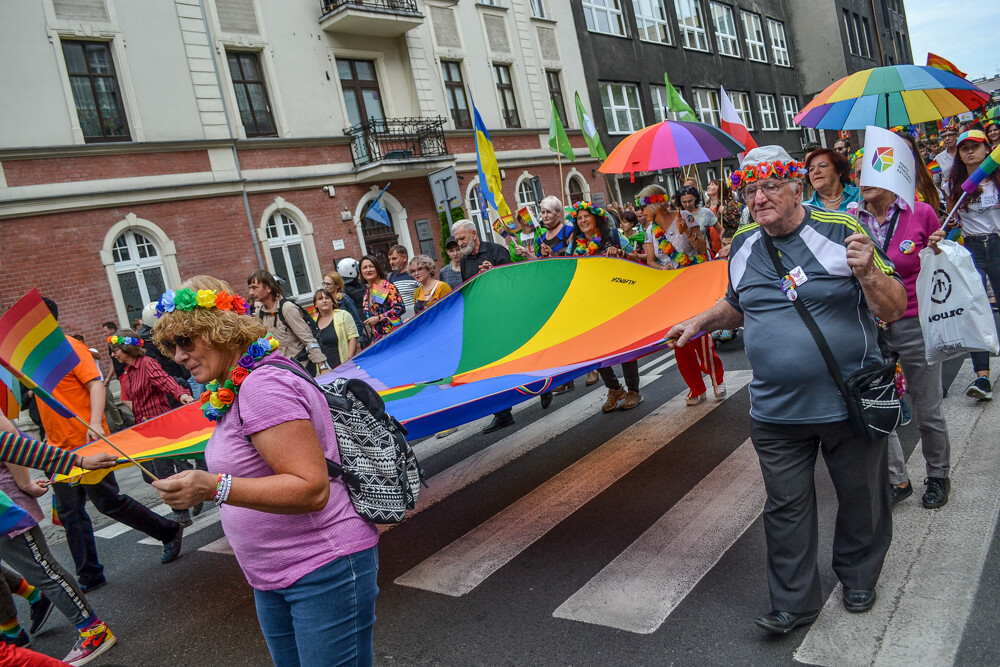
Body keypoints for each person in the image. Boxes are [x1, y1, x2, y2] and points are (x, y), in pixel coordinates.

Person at [667, 146, 906, 634]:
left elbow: (895, 306)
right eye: (750, 189)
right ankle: (794, 603)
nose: (759, 197)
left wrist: (869, 274)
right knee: (785, 507)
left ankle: (859, 576)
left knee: (861, 496)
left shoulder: (842, 230)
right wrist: (702, 321)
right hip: (776, 411)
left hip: (849, 402)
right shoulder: (744, 244)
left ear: (798, 188)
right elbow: (739, 303)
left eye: (770, 185)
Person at [150, 276, 379, 667]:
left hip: (322, 568)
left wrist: (211, 486)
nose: (179, 354)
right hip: (274, 574)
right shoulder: (236, 388)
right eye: (171, 346)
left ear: (219, 329)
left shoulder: (261, 386)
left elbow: (311, 489)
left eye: (186, 340)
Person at [36, 297, 186, 590]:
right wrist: (46, 435)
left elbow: (94, 385)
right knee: (70, 513)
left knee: (108, 503)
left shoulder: (69, 348)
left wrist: (94, 423)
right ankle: (90, 575)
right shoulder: (36, 360)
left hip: (86, 443)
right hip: (58, 449)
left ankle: (168, 531)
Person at [852, 169, 952, 509]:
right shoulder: (850, 219)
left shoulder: (920, 213)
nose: (863, 182)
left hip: (914, 322)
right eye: (858, 175)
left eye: (871, 175)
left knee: (927, 408)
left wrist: (940, 247)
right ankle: (898, 479)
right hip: (871, 326)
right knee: (879, 407)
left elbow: (942, 266)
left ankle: (937, 476)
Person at [0, 414, 118, 665]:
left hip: (5, 514)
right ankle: (26, 610)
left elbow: (11, 445)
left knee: (42, 571)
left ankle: (94, 631)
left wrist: (79, 461)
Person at [639, 185, 725, 404]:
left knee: (699, 333)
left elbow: (702, 249)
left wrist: (686, 230)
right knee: (678, 338)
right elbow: (650, 260)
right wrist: (661, 269)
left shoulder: (684, 216)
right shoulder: (651, 230)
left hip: (693, 283)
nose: (640, 210)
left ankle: (717, 378)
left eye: (642, 204)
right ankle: (695, 387)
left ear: (653, 203)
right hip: (670, 289)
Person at [110, 330, 198, 525]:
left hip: (161, 427)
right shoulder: (129, 372)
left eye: (115, 350)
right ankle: (191, 483)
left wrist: (182, 395)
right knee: (147, 474)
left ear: (127, 347)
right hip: (145, 430)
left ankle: (181, 512)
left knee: (162, 473)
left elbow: (166, 382)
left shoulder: (147, 364)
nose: (113, 355)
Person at [564, 202, 644, 412]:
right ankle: (615, 389)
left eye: (586, 217)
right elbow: (569, 269)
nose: (582, 221)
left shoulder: (615, 236)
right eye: (579, 218)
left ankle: (634, 391)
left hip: (616, 298)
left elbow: (638, 257)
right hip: (590, 303)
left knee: (625, 345)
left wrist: (619, 253)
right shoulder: (574, 245)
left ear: (596, 218)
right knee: (597, 348)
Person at [945, 129, 1000, 400]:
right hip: (972, 247)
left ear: (987, 149)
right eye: (963, 147)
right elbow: (952, 219)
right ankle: (982, 378)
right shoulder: (955, 183)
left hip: (999, 243)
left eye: (975, 146)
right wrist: (952, 223)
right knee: (974, 308)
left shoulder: (998, 178)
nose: (969, 151)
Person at [453, 220, 517, 433]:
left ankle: (543, 386)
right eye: (457, 240)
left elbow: (512, 282)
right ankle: (502, 414)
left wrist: (494, 272)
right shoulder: (464, 261)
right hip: (483, 321)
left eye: (462, 238)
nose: (460, 243)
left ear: (474, 234)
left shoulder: (497, 251)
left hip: (505, 317)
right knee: (491, 367)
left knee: (517, 358)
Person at [247, 270, 331, 377]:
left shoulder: (287, 308)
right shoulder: (260, 313)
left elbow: (308, 339)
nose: (251, 293)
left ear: (268, 288)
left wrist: (323, 367)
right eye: (250, 288)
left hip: (301, 369)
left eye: (254, 287)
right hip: (282, 372)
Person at [360, 255, 405, 343]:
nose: (368, 270)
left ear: (377, 268)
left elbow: (399, 308)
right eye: (364, 267)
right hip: (377, 340)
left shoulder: (384, 286)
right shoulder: (368, 291)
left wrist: (379, 317)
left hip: (393, 336)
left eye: (371, 266)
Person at [312, 288, 359, 368]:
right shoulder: (313, 321)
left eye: (327, 298)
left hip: (344, 364)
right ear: (315, 304)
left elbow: (352, 337)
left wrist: (349, 360)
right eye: (320, 299)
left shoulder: (343, 315)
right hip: (324, 369)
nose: (324, 301)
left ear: (332, 301)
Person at [803, 147, 859, 212]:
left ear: (839, 171)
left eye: (822, 166)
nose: (816, 172)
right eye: (811, 169)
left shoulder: (861, 195)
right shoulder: (805, 209)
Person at [323, 271, 365, 347]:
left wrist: (358, 342)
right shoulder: (325, 301)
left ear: (337, 286)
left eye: (328, 284)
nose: (325, 286)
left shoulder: (345, 299)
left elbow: (356, 321)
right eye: (324, 283)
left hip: (349, 339)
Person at [387, 245, 420, 321]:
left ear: (404, 258)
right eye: (390, 259)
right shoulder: (389, 277)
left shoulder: (416, 275)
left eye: (394, 259)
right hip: (398, 323)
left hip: (415, 320)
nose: (391, 262)